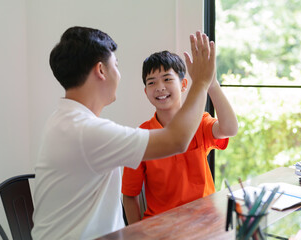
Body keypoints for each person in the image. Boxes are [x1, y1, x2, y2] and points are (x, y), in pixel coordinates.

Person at [31, 26, 216, 240]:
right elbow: (177, 140)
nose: (119, 74)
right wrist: (202, 82)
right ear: (101, 70)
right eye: (116, 65)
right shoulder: (87, 132)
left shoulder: (64, 120)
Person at [121, 51, 238, 224]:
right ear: (146, 92)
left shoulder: (200, 122)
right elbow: (130, 196)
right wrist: (136, 234)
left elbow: (229, 128)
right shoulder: (141, 136)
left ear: (184, 84)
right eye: (152, 82)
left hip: (205, 222)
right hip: (161, 226)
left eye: (167, 79)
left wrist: (211, 84)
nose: (160, 87)